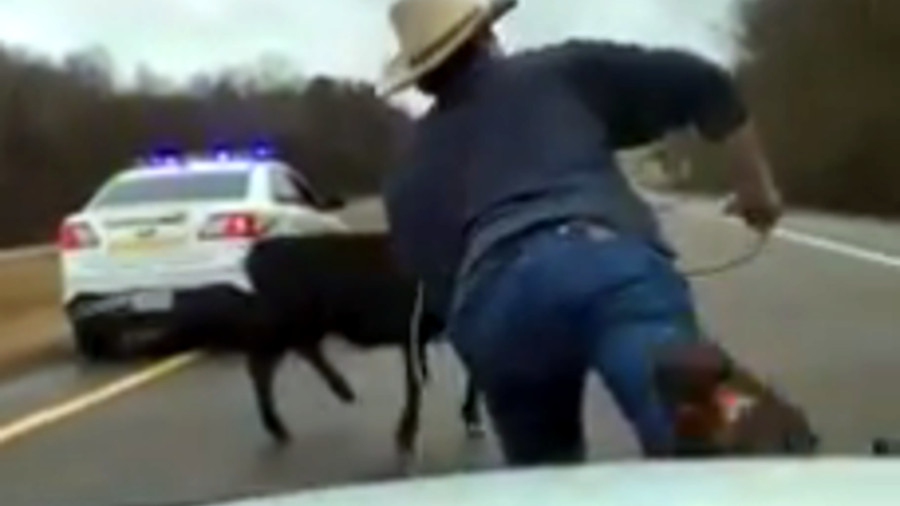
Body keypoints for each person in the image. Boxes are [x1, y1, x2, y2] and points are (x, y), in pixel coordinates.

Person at [380, 0, 782, 465]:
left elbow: (440, 292)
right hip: (602, 262)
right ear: (485, 37)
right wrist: (758, 191)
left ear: (422, 77)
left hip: (491, 305)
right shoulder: (560, 72)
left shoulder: (407, 173)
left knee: (545, 474)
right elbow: (706, 85)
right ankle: (733, 440)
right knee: (706, 432)